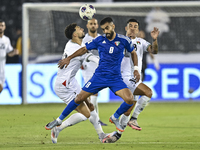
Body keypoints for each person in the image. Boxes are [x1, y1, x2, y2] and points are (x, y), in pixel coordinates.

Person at [45, 17, 140, 134]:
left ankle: (114, 117)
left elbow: (133, 53)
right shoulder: (99, 40)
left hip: (115, 78)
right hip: (99, 77)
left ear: (113, 26)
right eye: (103, 29)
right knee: (79, 98)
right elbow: (84, 49)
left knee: (130, 99)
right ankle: (59, 120)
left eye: (107, 28)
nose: (105, 31)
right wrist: (69, 58)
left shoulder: (124, 40)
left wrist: (136, 69)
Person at [46, 23, 114, 143]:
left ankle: (101, 134)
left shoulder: (79, 44)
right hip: (64, 86)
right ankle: (58, 128)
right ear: (75, 34)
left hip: (72, 83)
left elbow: (86, 54)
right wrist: (100, 62)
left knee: (91, 106)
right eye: (79, 29)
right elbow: (88, 56)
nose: (83, 29)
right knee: (85, 114)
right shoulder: (73, 47)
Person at [105, 18, 159, 143]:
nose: (133, 28)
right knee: (148, 93)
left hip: (135, 78)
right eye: (130, 26)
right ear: (126, 28)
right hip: (124, 77)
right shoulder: (118, 41)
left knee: (129, 108)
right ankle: (131, 118)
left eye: (135, 26)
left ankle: (116, 135)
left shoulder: (141, 42)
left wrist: (155, 39)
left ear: (138, 30)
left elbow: (154, 51)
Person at [81, 18, 107, 126]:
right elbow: (80, 52)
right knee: (94, 92)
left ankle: (95, 117)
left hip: (100, 67)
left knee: (93, 94)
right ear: (87, 26)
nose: (93, 25)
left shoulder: (102, 38)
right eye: (91, 24)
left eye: (95, 24)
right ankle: (95, 119)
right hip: (88, 68)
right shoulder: (84, 39)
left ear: (97, 26)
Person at [0, 20, 18, 93]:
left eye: (2, 26)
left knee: (1, 88)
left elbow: (9, 53)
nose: (0, 27)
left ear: (5, 27)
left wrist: (14, 52)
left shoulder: (6, 40)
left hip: (2, 68)